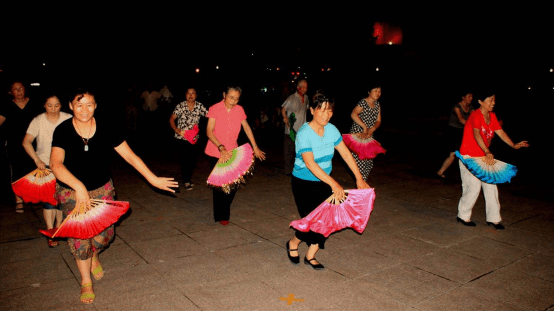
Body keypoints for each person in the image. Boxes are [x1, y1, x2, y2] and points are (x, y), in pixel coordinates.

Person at [50, 87, 178, 304]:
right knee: (81, 239)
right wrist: (79, 187)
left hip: (103, 190)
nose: (84, 110)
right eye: (78, 105)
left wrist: (153, 178)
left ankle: (94, 254)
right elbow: (56, 164)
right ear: (70, 106)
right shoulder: (62, 130)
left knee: (106, 234)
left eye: (89, 104)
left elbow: (130, 156)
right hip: (71, 191)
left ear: (95, 105)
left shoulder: (106, 127)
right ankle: (85, 281)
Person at [286, 94, 370, 270]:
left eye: (329, 110)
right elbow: (310, 163)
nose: (326, 114)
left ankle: (310, 255)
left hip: (324, 182)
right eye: (321, 110)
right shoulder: (304, 133)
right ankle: (293, 242)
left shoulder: (332, 130)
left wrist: (359, 178)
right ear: (312, 111)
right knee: (312, 221)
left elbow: (345, 154)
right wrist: (334, 183)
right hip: (304, 183)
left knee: (326, 220)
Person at [456, 90, 528, 230]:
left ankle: (494, 219)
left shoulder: (492, 116)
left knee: (491, 186)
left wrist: (513, 145)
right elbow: (477, 134)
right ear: (481, 102)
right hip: (469, 157)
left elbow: (500, 132)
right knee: (473, 188)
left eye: (494, 100)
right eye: (490, 100)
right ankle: (463, 215)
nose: (493, 103)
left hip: (483, 156)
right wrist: (487, 150)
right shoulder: (475, 115)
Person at [205, 85, 266, 225]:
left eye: (236, 99)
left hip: (233, 151)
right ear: (224, 95)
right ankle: (222, 215)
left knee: (232, 184)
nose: (233, 101)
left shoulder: (239, 110)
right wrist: (220, 147)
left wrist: (255, 147)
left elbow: (246, 127)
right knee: (220, 185)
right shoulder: (215, 108)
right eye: (231, 98)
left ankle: (223, 209)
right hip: (215, 151)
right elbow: (209, 131)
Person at [22, 93, 72, 247]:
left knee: (60, 200)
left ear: (61, 105)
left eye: (56, 105)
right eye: (49, 105)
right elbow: (26, 142)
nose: (53, 108)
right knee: (48, 202)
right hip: (46, 166)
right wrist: (37, 159)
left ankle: (57, 229)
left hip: (64, 166)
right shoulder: (38, 120)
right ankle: (50, 231)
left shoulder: (68, 118)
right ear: (44, 105)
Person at [0, 80, 38, 213]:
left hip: (33, 143)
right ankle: (18, 200)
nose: (19, 91)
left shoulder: (34, 103)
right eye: (15, 89)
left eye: (21, 88)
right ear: (10, 92)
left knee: (33, 170)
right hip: (14, 144)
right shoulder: (6, 106)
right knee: (16, 171)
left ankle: (32, 196)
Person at [169, 87, 208, 190]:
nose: (190, 95)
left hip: (194, 138)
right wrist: (176, 129)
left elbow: (209, 115)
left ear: (196, 95)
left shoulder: (199, 106)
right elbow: (172, 119)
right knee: (185, 159)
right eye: (188, 93)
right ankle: (186, 181)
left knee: (193, 160)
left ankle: (188, 178)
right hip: (181, 137)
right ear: (185, 94)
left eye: (193, 93)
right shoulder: (180, 106)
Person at [349, 83, 382, 181]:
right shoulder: (363, 102)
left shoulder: (377, 104)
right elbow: (353, 114)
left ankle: (362, 183)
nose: (378, 93)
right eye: (375, 90)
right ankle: (361, 186)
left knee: (369, 163)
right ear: (369, 91)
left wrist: (372, 128)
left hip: (369, 135)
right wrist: (364, 126)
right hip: (359, 135)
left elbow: (378, 120)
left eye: (379, 91)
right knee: (361, 162)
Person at [437, 91, 474, 178]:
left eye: (472, 96)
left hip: (463, 131)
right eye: (469, 96)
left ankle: (441, 171)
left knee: (466, 153)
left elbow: (475, 117)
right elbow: (461, 119)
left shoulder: (471, 107)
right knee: (454, 154)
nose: (471, 98)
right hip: (453, 131)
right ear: (463, 97)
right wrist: (473, 126)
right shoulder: (457, 106)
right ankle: (440, 171)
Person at [281, 79, 308, 176]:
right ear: (298, 87)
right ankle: (288, 170)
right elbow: (283, 108)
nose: (305, 89)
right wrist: (284, 117)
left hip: (302, 130)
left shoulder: (306, 98)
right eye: (303, 87)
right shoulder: (291, 98)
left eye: (306, 87)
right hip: (291, 130)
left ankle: (300, 168)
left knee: (301, 151)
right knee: (289, 151)